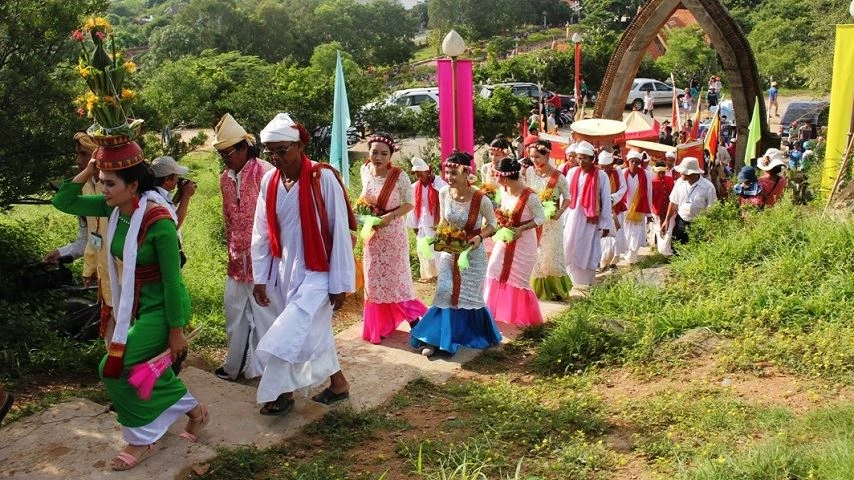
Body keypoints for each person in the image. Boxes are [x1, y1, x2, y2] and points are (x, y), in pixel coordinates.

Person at [53, 143, 206, 470]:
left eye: (110, 183)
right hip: (135, 304)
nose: (104, 189)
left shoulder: (158, 221)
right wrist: (91, 170)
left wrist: (177, 332)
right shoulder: (114, 209)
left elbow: (171, 281)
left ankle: (141, 440)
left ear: (133, 185)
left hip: (165, 309)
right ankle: (195, 412)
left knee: (113, 369)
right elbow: (62, 201)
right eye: (103, 182)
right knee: (141, 374)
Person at [251, 113, 355, 415]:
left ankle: (280, 392)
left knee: (290, 333)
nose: (277, 157)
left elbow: (339, 231)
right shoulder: (269, 180)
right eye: (271, 152)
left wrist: (340, 283)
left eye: (282, 150)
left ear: (299, 146)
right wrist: (260, 277)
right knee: (311, 333)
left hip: (319, 274)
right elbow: (260, 233)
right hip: (284, 273)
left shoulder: (322, 177)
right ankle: (339, 384)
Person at [409, 152, 501, 356]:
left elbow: (493, 225)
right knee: (444, 291)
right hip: (450, 252)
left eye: (453, 173)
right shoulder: (444, 193)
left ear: (466, 172)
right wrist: (439, 237)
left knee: (468, 296)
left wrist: (479, 237)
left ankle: (464, 335)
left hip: (472, 256)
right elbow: (444, 221)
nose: (449, 178)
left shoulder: (480, 199)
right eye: (447, 173)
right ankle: (435, 339)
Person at [212, 113, 277, 382]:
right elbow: (228, 217)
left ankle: (267, 369)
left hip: (264, 260)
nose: (226, 158)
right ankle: (234, 367)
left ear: (243, 147)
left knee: (266, 317)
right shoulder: (224, 179)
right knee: (234, 315)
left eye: (229, 152)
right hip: (236, 260)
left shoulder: (266, 172)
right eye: (222, 154)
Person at [359, 133, 427, 344]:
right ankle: (379, 326)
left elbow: (409, 204)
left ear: (391, 155)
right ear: (368, 152)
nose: (378, 157)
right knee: (374, 279)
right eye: (374, 152)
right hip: (373, 235)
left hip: (393, 234)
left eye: (383, 153)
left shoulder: (400, 176)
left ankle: (417, 324)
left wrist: (391, 215)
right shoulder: (364, 170)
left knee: (396, 280)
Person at [484, 156, 545, 327]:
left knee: (519, 280)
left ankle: (521, 318)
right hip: (505, 239)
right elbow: (503, 210)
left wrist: (521, 229)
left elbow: (541, 218)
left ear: (504, 177)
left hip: (525, 243)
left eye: (498, 176)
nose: (496, 179)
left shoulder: (529, 196)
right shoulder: (504, 191)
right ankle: (490, 315)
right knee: (494, 269)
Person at [563, 141, 613, 288]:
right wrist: (563, 216)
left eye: (584, 158)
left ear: (592, 159)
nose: (580, 161)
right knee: (569, 247)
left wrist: (605, 224)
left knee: (586, 249)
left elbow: (605, 200)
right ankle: (571, 281)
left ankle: (585, 283)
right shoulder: (572, 173)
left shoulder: (601, 175)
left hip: (590, 220)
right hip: (572, 217)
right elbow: (565, 197)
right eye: (578, 157)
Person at [526, 140, 572, 300]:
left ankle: (557, 289)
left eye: (537, 157)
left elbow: (567, 198)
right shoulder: (529, 173)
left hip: (552, 223)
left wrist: (559, 212)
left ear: (547, 156)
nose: (534, 160)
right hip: (534, 221)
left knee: (551, 254)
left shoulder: (558, 177)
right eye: (531, 157)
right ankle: (537, 291)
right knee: (535, 255)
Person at [661, 157, 717, 251]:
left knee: (696, 251)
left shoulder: (708, 187)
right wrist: (666, 220)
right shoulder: (679, 182)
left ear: (692, 172)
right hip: (681, 222)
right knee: (677, 250)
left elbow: (712, 209)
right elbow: (673, 202)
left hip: (699, 225)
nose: (680, 173)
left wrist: (710, 229)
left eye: (683, 171)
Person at [407, 157, 447, 282]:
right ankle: (429, 275)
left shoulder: (437, 184)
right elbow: (411, 206)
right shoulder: (414, 188)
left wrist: (435, 180)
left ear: (428, 171)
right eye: (416, 174)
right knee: (423, 249)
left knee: (438, 249)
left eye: (421, 173)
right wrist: (414, 224)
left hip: (437, 221)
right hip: (422, 222)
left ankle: (441, 275)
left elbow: (446, 191)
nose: (419, 176)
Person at [620, 151, 654, 264]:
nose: (634, 164)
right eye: (632, 161)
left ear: (640, 163)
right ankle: (628, 253)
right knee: (626, 232)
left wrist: (649, 214)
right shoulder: (622, 173)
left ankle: (632, 256)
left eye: (636, 162)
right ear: (628, 162)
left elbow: (649, 193)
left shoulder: (646, 175)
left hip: (639, 209)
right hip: (625, 209)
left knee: (636, 233)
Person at [597, 150, 626, 270]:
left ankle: (613, 261)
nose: (605, 170)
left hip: (615, 206)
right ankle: (600, 261)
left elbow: (623, 188)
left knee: (615, 236)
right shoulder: (596, 173)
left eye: (607, 167)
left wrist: (612, 198)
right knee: (601, 236)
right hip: (600, 208)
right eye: (603, 167)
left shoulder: (617, 171)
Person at [150, 156, 195, 230]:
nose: (178, 179)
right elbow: (174, 225)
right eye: (176, 176)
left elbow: (170, 208)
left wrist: (179, 193)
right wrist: (186, 196)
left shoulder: (158, 193)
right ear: (167, 179)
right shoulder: (156, 199)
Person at [650, 162, 675, 256]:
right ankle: (662, 252)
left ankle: (667, 251)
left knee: (669, 230)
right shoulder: (652, 182)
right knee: (658, 230)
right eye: (659, 173)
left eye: (663, 172)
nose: (661, 175)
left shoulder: (670, 180)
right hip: (657, 211)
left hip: (669, 210)